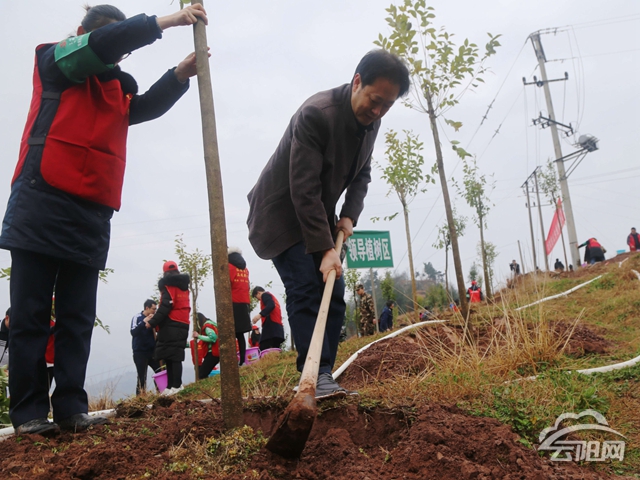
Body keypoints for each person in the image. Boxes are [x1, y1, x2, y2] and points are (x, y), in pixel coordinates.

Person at [0, 4, 208, 436]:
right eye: (113, 40)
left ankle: (71, 408)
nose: (118, 53)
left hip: (91, 212)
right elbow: (105, 43)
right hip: (41, 200)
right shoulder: (57, 61)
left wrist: (179, 74)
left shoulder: (117, 89)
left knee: (77, 317)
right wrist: (166, 21)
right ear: (83, 33)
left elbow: (143, 108)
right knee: (31, 314)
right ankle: (28, 412)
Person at [247, 49, 409, 398]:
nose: (378, 111)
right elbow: (303, 188)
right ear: (357, 82)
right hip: (281, 214)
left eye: (387, 106)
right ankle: (313, 374)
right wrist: (324, 249)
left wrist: (348, 216)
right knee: (307, 287)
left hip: (317, 214)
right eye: (375, 101)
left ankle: (321, 375)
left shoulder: (371, 122)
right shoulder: (316, 114)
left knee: (333, 291)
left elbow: (362, 173)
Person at [147, 261, 190, 396]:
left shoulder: (169, 287)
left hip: (172, 323)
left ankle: (176, 385)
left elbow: (165, 307)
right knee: (171, 355)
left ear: (165, 273)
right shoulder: (184, 287)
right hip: (183, 322)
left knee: (173, 356)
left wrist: (152, 322)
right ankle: (170, 386)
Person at [228, 247, 252, 366]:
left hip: (234, 302)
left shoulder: (230, 267)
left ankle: (232, 360)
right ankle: (242, 360)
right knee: (240, 333)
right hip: (244, 302)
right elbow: (248, 286)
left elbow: (228, 283)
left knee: (231, 332)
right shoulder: (245, 269)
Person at [130, 299, 159, 395]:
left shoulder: (154, 319)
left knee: (159, 371)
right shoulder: (137, 317)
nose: (154, 311)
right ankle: (140, 396)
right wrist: (144, 322)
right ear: (147, 308)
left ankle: (160, 392)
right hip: (140, 352)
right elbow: (133, 332)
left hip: (152, 351)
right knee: (142, 376)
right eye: (153, 309)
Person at [191, 313, 219, 379]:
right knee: (203, 373)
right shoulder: (212, 325)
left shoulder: (207, 327)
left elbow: (213, 338)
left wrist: (198, 336)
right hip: (215, 352)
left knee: (201, 374)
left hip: (213, 353)